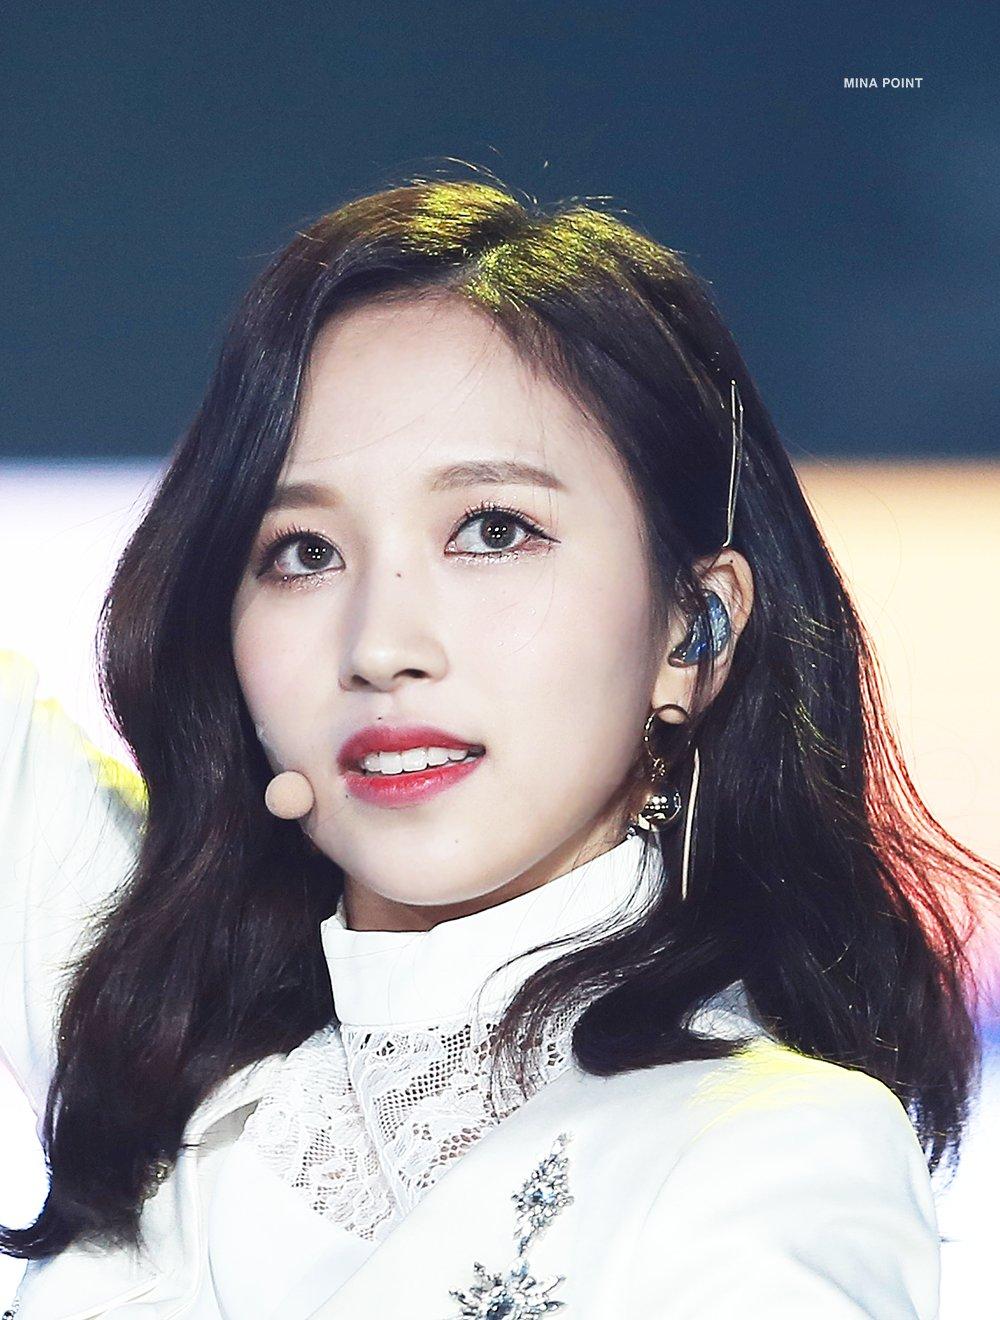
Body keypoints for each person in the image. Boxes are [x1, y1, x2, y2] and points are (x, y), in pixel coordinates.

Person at [1, 173, 996, 1319]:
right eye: (303, 552)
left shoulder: (770, 1155)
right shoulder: (146, 1017)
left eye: (492, 530)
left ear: (692, 630)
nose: (381, 645)